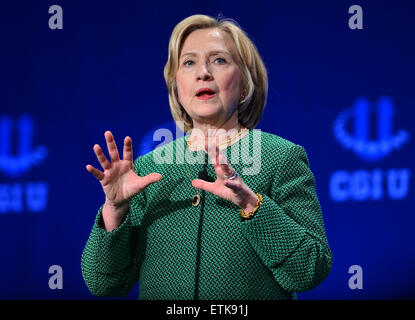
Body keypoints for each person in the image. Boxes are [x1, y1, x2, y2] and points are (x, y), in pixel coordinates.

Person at [81, 14, 333, 300]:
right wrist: (114, 210)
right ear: (177, 89)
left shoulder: (281, 157)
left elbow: (310, 269)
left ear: (245, 86)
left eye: (219, 60)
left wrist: (252, 205)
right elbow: (103, 284)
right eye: (189, 63)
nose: (203, 72)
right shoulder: (149, 168)